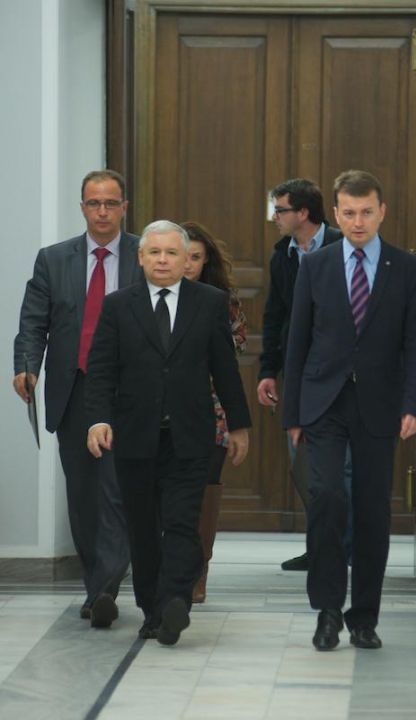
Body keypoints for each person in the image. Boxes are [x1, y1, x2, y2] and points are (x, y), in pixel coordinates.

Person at [283, 170, 416, 651]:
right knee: (327, 496)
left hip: (380, 404)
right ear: (335, 212)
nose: (358, 221)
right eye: (348, 212)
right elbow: (297, 342)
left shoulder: (407, 269)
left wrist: (414, 404)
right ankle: (327, 611)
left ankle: (364, 616)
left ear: (382, 211)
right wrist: (292, 415)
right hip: (323, 402)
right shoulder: (316, 266)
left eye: (367, 211)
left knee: (371, 510)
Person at [85, 220, 251, 646]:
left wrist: (238, 425)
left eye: (172, 253)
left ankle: (175, 599)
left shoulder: (209, 302)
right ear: (140, 257)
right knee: (143, 527)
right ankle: (151, 610)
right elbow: (101, 370)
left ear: (185, 260)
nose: (163, 260)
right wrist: (98, 420)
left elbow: (225, 369)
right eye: (155, 252)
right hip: (135, 435)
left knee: (181, 521)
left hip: (190, 435)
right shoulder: (118, 305)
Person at [13, 169, 141, 628]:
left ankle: (106, 587)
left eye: (111, 203)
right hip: (74, 389)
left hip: (128, 391)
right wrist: (27, 365)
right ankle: (96, 585)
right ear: (82, 207)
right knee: (84, 494)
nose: (102, 212)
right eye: (94, 203)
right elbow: (34, 321)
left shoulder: (143, 254)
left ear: (124, 207)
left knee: (117, 489)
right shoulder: (54, 260)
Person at [256, 178, 350, 571]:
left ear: (304, 213)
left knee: (343, 467)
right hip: (300, 372)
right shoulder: (283, 255)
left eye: (280, 210)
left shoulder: (342, 248)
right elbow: (275, 315)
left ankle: (345, 546)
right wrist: (268, 370)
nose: (274, 218)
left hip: (342, 374)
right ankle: (322, 546)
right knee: (305, 464)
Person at [181, 221, 247, 604]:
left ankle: (199, 569)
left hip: (213, 407)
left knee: (206, 488)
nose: (188, 264)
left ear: (206, 261)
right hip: (164, 408)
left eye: (196, 257)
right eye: (183, 255)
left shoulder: (222, 301)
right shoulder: (151, 298)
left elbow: (234, 349)